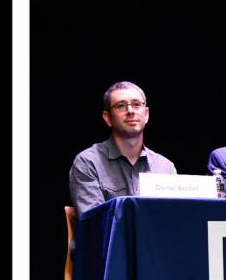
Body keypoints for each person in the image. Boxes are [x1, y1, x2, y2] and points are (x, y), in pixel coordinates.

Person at [68, 81, 177, 215]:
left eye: (136, 104)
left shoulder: (165, 167)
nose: (130, 111)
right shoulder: (88, 163)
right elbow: (96, 223)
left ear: (146, 114)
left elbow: (173, 219)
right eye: (121, 106)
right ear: (108, 118)